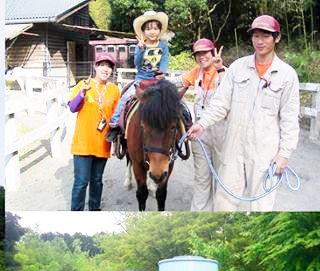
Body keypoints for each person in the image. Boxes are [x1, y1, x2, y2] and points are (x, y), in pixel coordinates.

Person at [186, 15, 300, 211]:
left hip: (266, 151)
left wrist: (283, 154)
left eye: (265, 36)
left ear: (277, 38)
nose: (259, 41)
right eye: (256, 36)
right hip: (233, 147)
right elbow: (220, 104)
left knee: (261, 206)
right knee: (224, 203)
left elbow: (289, 120)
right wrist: (201, 123)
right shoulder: (238, 67)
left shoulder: (287, 74)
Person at [106, 10, 172, 141]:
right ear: (143, 32)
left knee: (175, 99)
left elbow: (164, 60)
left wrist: (162, 72)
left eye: (155, 28)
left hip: (157, 79)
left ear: (160, 30)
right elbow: (137, 63)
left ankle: (185, 123)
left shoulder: (163, 46)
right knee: (125, 98)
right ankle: (114, 124)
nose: (152, 31)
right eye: (148, 29)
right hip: (141, 79)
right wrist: (141, 49)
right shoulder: (139, 46)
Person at [67, 52, 121, 211]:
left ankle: (94, 210)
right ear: (95, 66)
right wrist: (82, 94)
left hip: (103, 142)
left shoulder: (114, 90)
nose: (106, 69)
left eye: (109, 66)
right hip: (83, 142)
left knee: (97, 180)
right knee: (81, 181)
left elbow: (117, 115)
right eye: (102, 65)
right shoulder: (83, 84)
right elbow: (72, 108)